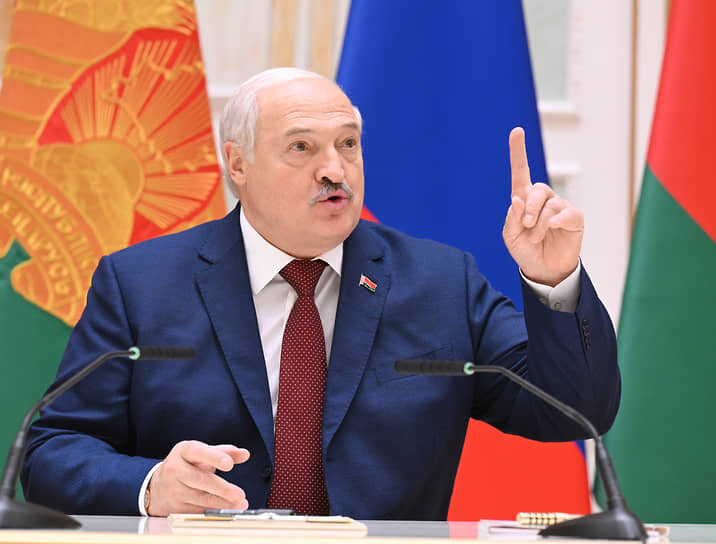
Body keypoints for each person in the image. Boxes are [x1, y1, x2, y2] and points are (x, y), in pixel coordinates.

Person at [22, 68, 620, 520]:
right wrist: (152, 486)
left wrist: (554, 280)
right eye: (302, 147)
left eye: (349, 143)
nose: (335, 169)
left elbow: (571, 410)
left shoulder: (441, 282)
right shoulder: (141, 284)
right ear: (238, 164)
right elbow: (51, 452)